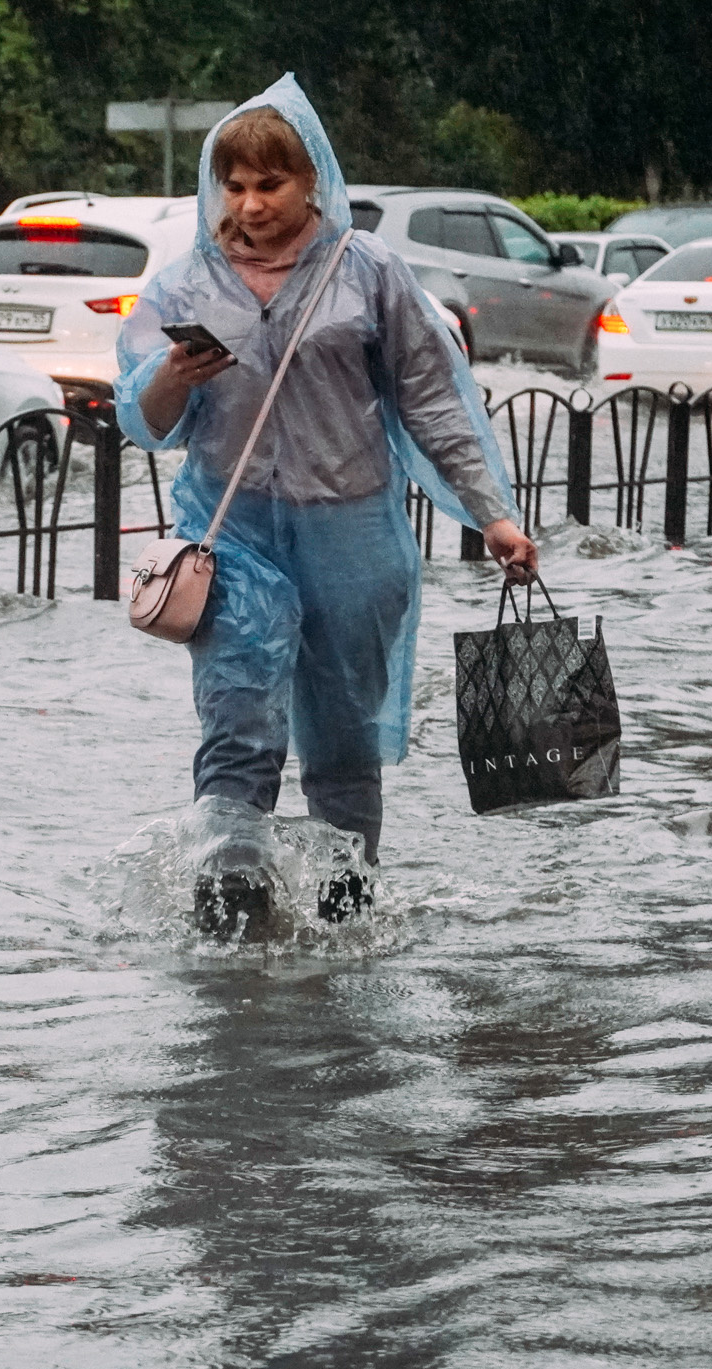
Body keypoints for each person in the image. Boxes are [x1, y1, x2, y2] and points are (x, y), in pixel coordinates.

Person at [115, 74, 537, 932]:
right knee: (237, 717)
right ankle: (230, 906)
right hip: (229, 536)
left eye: (270, 184)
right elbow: (147, 422)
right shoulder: (186, 284)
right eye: (235, 185)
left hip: (350, 531)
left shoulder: (368, 272)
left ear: (312, 181)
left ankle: (346, 910)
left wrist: (491, 512)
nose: (251, 203)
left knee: (343, 739)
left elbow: (433, 401)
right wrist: (170, 376)